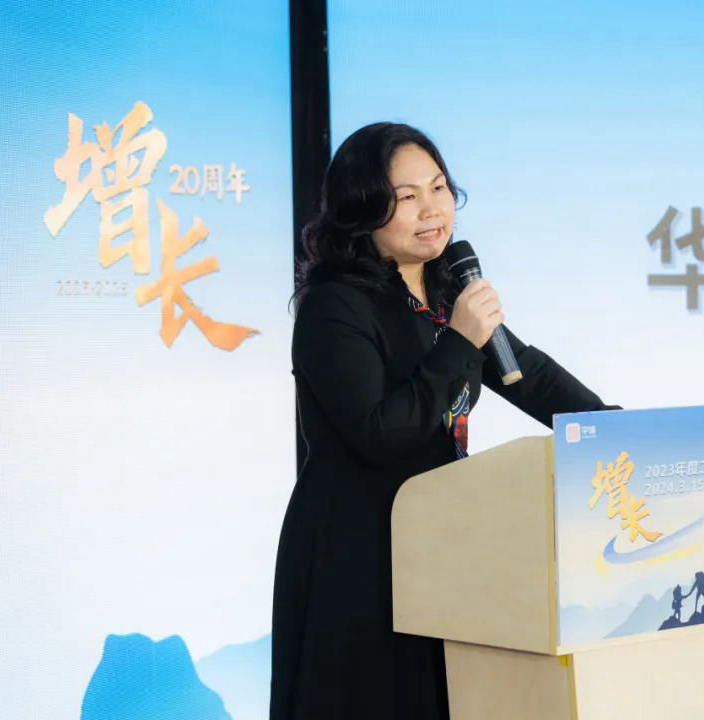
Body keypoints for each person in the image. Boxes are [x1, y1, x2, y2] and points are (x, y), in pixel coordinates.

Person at [270, 122, 618, 720]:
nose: (432, 209)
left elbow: (523, 372)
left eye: (438, 188)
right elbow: (379, 434)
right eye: (407, 197)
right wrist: (458, 339)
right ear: (362, 208)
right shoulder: (335, 306)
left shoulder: (443, 288)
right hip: (357, 554)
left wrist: (613, 430)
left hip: (436, 540)